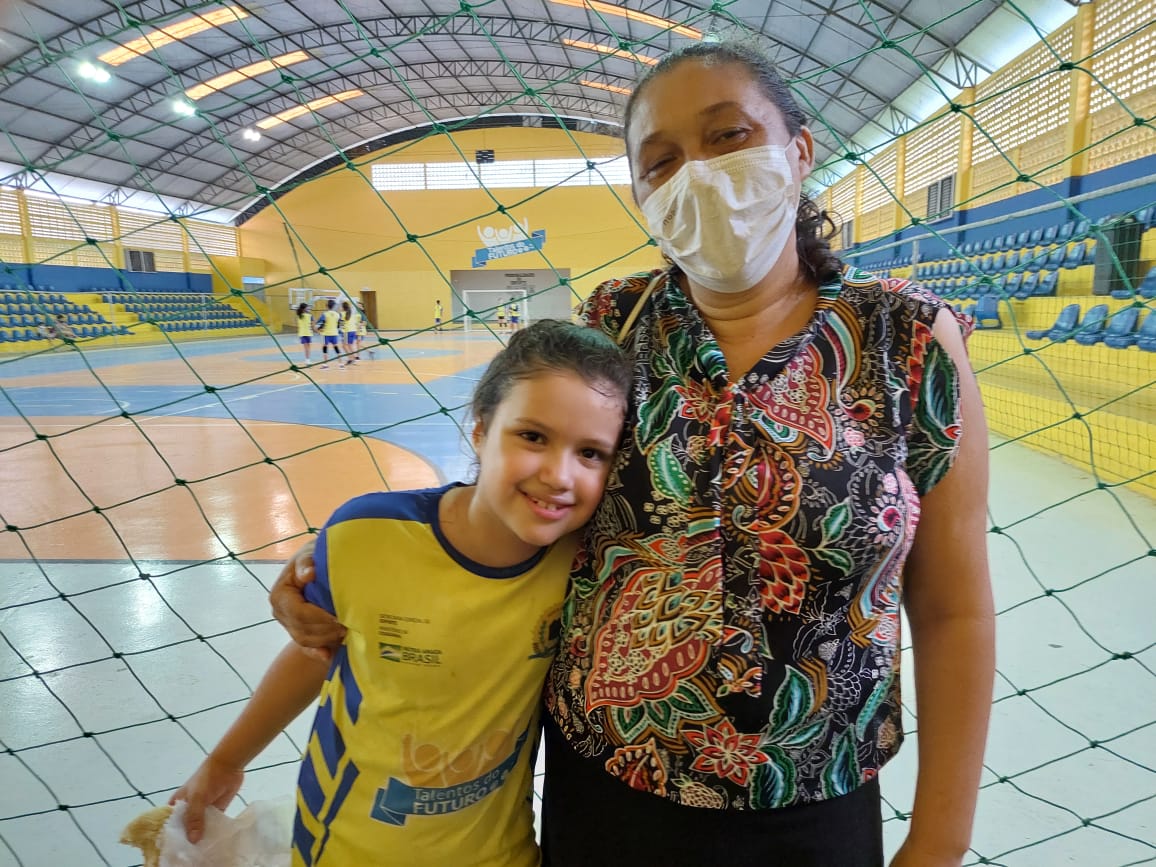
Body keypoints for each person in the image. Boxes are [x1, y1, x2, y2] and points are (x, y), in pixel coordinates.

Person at [270, 39, 994, 867]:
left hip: (812, 797)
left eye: (727, 136)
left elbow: (954, 607)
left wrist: (940, 840)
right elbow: (522, 504)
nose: (698, 173)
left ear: (799, 150)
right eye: (661, 160)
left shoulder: (909, 338)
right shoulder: (611, 322)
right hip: (608, 789)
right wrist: (347, 560)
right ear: (643, 194)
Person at [173, 320, 630, 866]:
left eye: (591, 453)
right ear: (481, 430)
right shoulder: (366, 536)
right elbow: (316, 649)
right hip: (348, 847)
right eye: (532, 436)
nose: (559, 475)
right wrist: (226, 760)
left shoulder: (588, 561)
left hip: (501, 852)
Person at [315, 299, 340, 369]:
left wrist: (318, 329)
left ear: (327, 306)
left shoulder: (324, 314)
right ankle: (341, 364)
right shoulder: (337, 314)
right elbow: (338, 325)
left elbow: (319, 324)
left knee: (325, 347)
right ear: (333, 306)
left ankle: (325, 364)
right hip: (334, 333)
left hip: (326, 334)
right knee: (336, 347)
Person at [339, 300, 359, 366]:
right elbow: (354, 323)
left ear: (343, 307)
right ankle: (354, 359)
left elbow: (341, 324)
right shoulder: (351, 314)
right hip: (353, 331)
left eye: (341, 306)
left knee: (344, 346)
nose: (340, 308)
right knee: (350, 345)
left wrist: (341, 330)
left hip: (346, 331)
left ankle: (350, 358)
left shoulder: (342, 314)